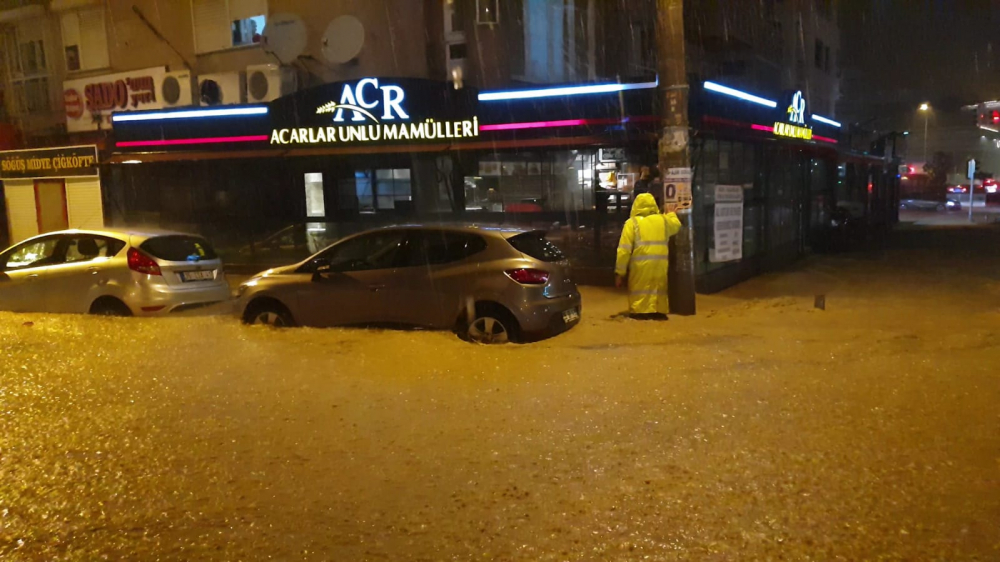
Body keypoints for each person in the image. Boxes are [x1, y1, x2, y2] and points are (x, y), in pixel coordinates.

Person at [614, 192, 682, 319]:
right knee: (658, 287)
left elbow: (623, 251)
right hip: (660, 265)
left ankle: (640, 311)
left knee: (640, 290)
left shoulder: (631, 223)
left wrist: (620, 273)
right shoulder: (663, 220)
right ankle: (658, 309)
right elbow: (676, 225)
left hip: (640, 266)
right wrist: (671, 213)